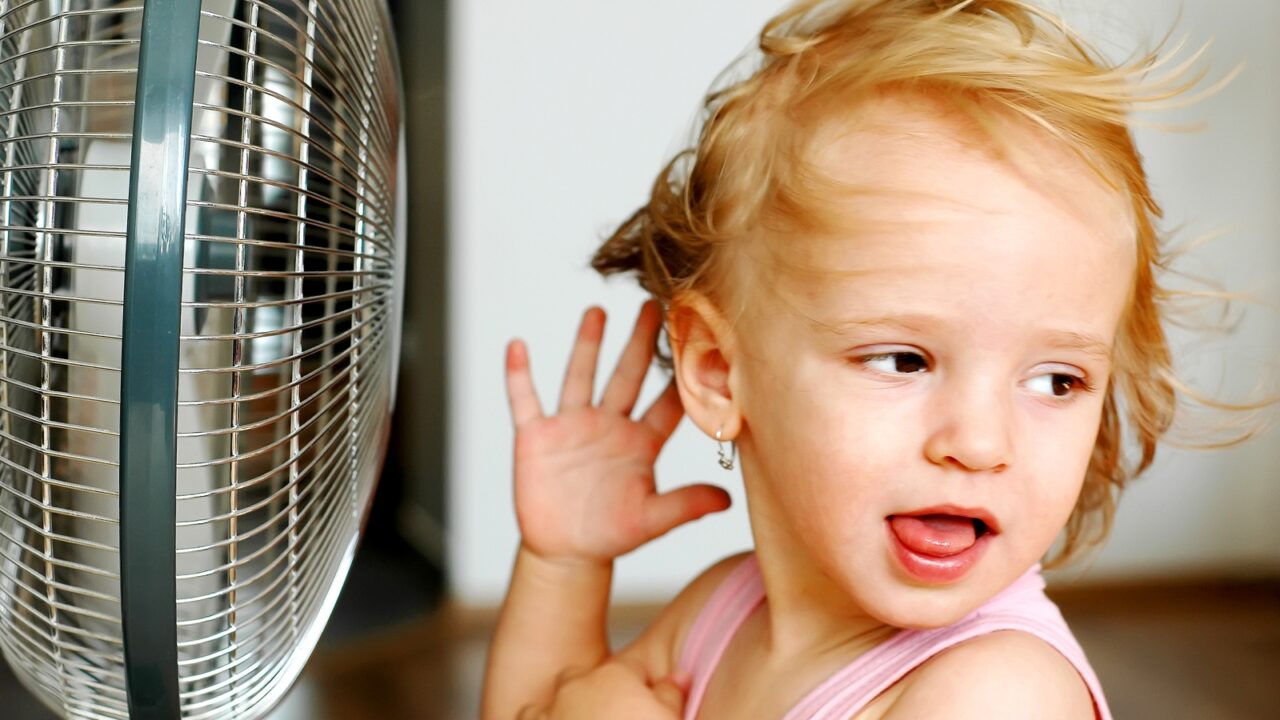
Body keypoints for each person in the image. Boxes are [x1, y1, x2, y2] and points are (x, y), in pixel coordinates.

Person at [481, 1, 1250, 717]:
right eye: (905, 361)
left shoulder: (996, 692)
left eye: (1057, 380)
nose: (980, 443)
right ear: (717, 371)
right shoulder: (720, 611)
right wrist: (565, 566)